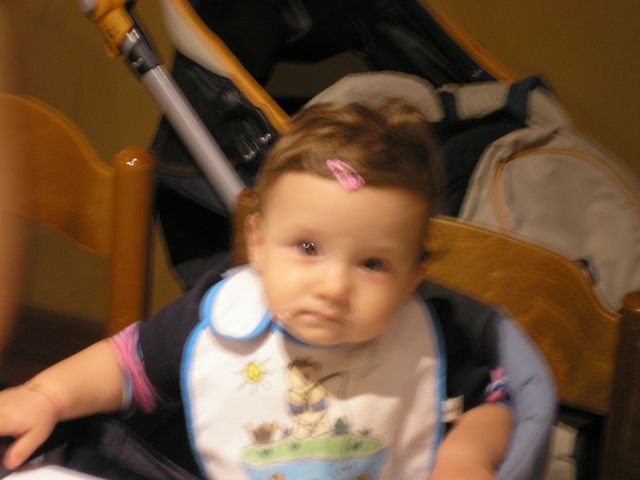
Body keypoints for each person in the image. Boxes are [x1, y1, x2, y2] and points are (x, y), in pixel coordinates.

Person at [0, 100, 512, 479]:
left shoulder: (429, 339)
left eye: (372, 263)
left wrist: (466, 453)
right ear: (259, 244)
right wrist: (47, 395)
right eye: (308, 247)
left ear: (412, 278)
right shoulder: (221, 318)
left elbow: (499, 398)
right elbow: (128, 363)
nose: (334, 286)